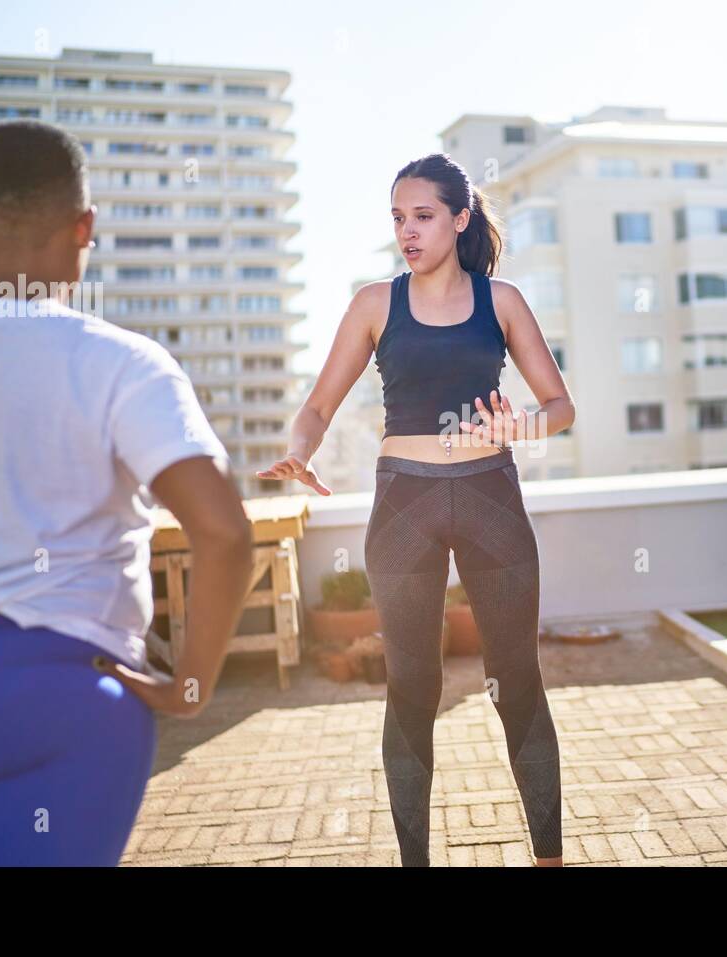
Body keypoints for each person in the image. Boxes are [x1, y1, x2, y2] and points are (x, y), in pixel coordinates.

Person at [0, 120, 254, 865]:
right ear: (86, 226)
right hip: (50, 713)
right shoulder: (123, 365)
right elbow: (224, 532)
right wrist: (192, 685)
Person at [257, 153, 575, 866]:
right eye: (398, 218)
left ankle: (550, 857)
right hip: (405, 501)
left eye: (423, 216)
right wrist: (299, 450)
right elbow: (316, 404)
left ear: (461, 219)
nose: (408, 230)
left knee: (516, 678)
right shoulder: (376, 303)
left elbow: (560, 407)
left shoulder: (503, 301)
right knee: (411, 687)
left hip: (491, 493)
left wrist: (518, 426)